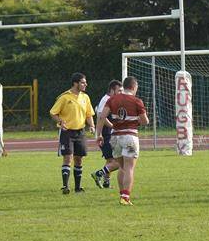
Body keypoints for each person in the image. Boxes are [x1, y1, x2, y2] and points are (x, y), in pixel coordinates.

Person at [96, 76, 149, 205]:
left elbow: (102, 116)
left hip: (115, 138)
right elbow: (145, 121)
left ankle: (122, 195)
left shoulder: (112, 99)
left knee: (122, 167)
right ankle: (125, 197)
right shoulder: (137, 101)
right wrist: (135, 120)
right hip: (130, 137)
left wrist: (99, 134)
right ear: (134, 86)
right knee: (129, 168)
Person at [50, 72, 95, 194]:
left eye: (85, 82)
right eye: (83, 82)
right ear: (75, 83)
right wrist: (60, 121)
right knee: (68, 157)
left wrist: (91, 125)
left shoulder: (85, 97)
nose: (86, 84)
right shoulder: (64, 97)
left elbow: (89, 114)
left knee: (79, 159)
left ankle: (78, 187)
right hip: (67, 132)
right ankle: (65, 186)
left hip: (80, 132)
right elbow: (53, 112)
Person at [91, 80, 123, 189]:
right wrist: (113, 127)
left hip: (107, 134)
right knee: (120, 161)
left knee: (110, 160)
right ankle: (98, 174)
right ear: (112, 90)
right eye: (119, 90)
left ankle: (106, 182)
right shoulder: (106, 100)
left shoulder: (110, 99)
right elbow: (101, 117)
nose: (120, 92)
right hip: (106, 135)